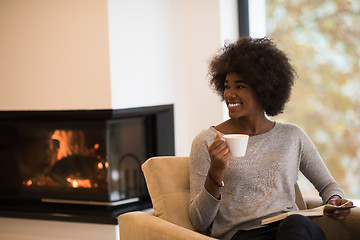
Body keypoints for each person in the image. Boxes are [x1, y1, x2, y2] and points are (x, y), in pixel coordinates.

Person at [189, 37, 353, 240]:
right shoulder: (207, 141)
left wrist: (335, 200)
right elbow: (199, 221)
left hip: (292, 230)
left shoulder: (292, 136)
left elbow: (328, 186)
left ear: (263, 89)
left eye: (239, 87)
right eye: (227, 86)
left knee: (297, 223)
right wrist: (215, 173)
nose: (230, 94)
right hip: (244, 235)